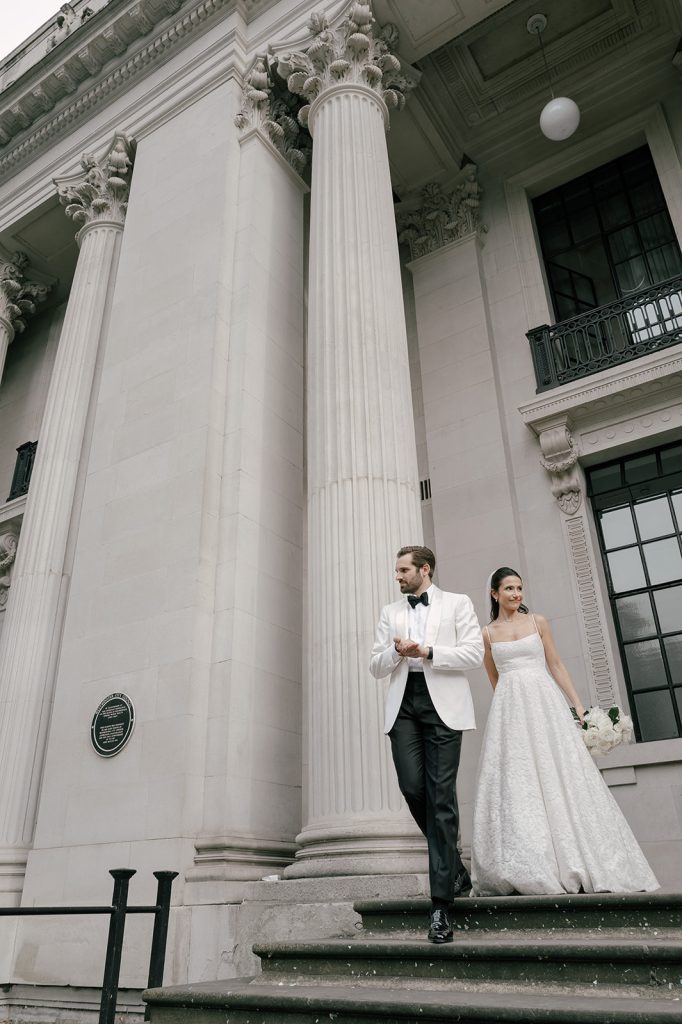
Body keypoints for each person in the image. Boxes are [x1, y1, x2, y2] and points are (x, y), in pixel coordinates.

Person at [471, 566, 659, 896]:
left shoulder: (537, 622)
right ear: (494, 593)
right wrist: (508, 710)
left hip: (546, 702)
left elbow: (556, 664)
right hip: (511, 711)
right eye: (510, 589)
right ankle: (529, 864)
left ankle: (580, 860)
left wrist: (578, 706)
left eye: (519, 588)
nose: (516, 594)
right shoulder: (486, 634)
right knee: (520, 779)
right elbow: (494, 679)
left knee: (561, 772)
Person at [369, 546, 484, 943]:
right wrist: (396, 653)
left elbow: (473, 652)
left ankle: (440, 907)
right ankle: (454, 866)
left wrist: (429, 651)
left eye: (403, 570)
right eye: (397, 570)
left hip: (443, 706)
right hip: (404, 704)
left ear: (425, 569)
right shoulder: (391, 612)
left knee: (440, 798)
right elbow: (374, 665)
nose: (397, 577)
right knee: (413, 788)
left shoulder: (458, 603)